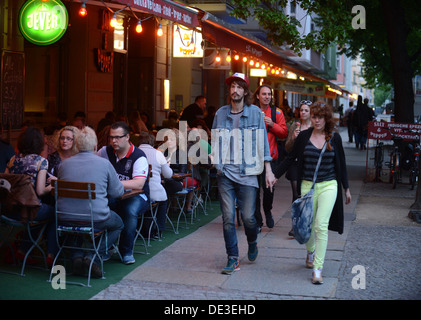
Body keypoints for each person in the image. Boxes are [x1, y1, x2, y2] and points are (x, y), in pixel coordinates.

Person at [273, 101, 352, 284]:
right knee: (307, 228)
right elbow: (290, 158)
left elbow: (341, 164)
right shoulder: (304, 137)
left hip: (329, 185)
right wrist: (274, 175)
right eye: (314, 117)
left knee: (321, 225)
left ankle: (318, 268)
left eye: (321, 117)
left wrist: (346, 188)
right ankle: (311, 249)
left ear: (326, 119)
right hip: (307, 186)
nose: (317, 120)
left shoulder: (334, 138)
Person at [211, 72, 276, 275]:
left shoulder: (255, 113)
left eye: (239, 87)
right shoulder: (220, 113)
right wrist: (215, 158)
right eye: (232, 87)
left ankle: (252, 240)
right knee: (228, 218)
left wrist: (268, 170)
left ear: (246, 91)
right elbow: (214, 139)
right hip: (226, 174)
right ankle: (233, 258)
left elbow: (263, 143)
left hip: (248, 173)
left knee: (249, 218)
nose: (235, 90)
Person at [57, 126, 124, 277]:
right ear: (95, 147)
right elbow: (117, 192)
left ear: (77, 145)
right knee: (118, 224)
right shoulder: (105, 164)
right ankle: (93, 257)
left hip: (65, 217)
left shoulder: (64, 165)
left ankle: (76, 257)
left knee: (74, 222)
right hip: (96, 218)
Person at [97, 121, 149, 265]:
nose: (114, 141)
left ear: (127, 137)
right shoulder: (104, 152)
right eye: (111, 137)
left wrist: (113, 184)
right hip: (113, 195)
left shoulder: (139, 155)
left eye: (118, 137)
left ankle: (126, 251)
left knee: (129, 210)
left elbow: (138, 184)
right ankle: (105, 248)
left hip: (137, 195)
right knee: (100, 207)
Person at [5, 127, 58, 267]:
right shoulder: (41, 161)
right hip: (30, 210)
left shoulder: (12, 160)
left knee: (39, 217)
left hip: (9, 210)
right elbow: (40, 192)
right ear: (39, 144)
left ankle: (23, 251)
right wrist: (52, 186)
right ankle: (51, 254)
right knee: (54, 213)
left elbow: (5, 183)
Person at [252, 85, 288, 231]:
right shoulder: (251, 111)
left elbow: (284, 133)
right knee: (253, 191)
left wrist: (272, 124)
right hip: (253, 159)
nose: (267, 96)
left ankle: (267, 211)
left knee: (269, 190)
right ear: (258, 96)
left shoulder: (277, 112)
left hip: (271, 158)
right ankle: (258, 221)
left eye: (269, 94)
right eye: (264, 94)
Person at [284, 100, 313, 237]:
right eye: (302, 110)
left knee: (308, 195)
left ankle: (307, 222)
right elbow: (287, 147)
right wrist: (293, 138)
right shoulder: (294, 127)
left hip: (309, 164)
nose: (303, 113)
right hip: (295, 164)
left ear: (310, 112)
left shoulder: (314, 127)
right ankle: (295, 225)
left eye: (306, 110)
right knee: (296, 194)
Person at [138, 132, 173, 238]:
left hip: (135, 192)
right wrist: (167, 165)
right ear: (152, 142)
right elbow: (168, 175)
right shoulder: (158, 154)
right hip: (154, 192)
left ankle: (142, 227)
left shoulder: (133, 152)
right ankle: (158, 229)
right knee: (163, 199)